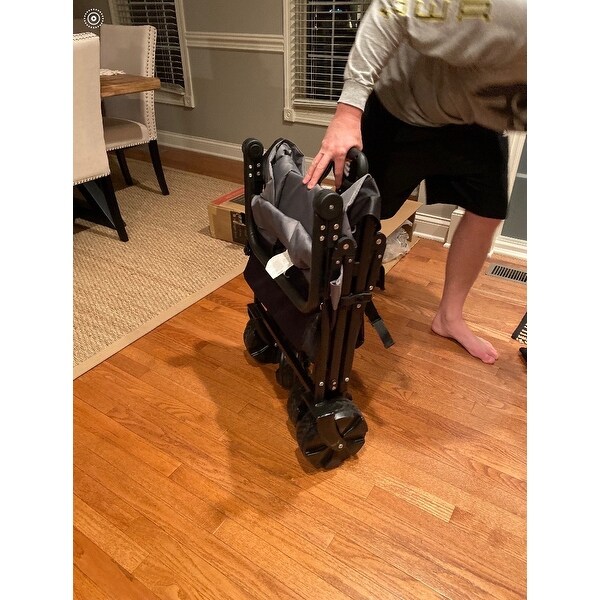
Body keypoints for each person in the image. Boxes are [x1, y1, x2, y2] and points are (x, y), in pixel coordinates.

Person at [303, 0, 526, 365]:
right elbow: (391, 8)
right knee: (358, 215)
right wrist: (348, 110)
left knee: (488, 210)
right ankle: (321, 304)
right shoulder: (513, 10)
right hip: (403, 107)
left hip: (478, 122)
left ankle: (449, 318)